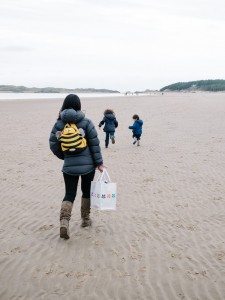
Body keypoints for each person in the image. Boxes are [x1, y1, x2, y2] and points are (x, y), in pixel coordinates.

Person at [49, 94, 104, 239]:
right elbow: (94, 144)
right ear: (79, 105)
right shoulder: (86, 122)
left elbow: (53, 145)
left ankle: (64, 222)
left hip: (68, 167)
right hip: (88, 167)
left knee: (69, 194)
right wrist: (99, 163)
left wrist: (65, 156)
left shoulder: (59, 124)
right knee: (86, 192)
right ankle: (85, 220)